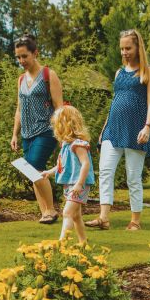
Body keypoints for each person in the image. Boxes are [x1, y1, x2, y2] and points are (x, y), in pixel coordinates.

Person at [87, 28, 150, 231]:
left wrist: (147, 127)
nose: (124, 52)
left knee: (133, 177)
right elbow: (115, 101)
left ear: (137, 47)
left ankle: (135, 220)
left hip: (137, 130)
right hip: (113, 129)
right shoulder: (119, 73)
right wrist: (104, 128)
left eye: (128, 48)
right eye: (121, 49)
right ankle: (104, 218)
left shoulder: (148, 71)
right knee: (106, 172)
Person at [11, 34, 64, 224]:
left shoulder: (49, 75)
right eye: (18, 57)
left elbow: (59, 106)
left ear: (35, 53)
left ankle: (51, 209)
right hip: (27, 133)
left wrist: (62, 133)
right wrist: (14, 134)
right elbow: (19, 109)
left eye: (24, 56)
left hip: (46, 130)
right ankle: (45, 213)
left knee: (33, 166)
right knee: (32, 171)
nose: (21, 61)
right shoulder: (20, 80)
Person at [42, 104, 95, 245]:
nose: (55, 128)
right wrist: (50, 172)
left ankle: (61, 244)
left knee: (67, 213)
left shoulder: (78, 144)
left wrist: (79, 184)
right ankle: (83, 243)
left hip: (78, 184)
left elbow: (86, 164)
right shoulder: (66, 145)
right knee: (76, 216)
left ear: (66, 125)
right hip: (71, 183)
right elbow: (62, 164)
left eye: (57, 124)